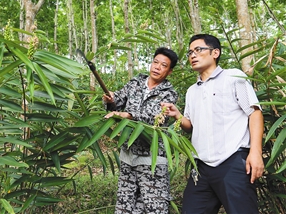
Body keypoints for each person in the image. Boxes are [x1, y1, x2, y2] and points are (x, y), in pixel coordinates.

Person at [161, 34, 264, 214]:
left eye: (198, 50)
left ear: (215, 52)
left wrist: (255, 153)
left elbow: (254, 112)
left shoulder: (233, 77)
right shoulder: (192, 91)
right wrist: (177, 115)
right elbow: (191, 126)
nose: (193, 55)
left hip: (233, 161)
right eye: (190, 52)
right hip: (201, 167)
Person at [102, 47, 178, 214]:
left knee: (154, 208)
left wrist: (127, 115)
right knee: (125, 206)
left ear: (169, 71)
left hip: (152, 159)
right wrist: (110, 100)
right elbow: (118, 102)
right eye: (155, 62)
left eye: (163, 65)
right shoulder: (136, 82)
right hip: (128, 155)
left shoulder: (169, 93)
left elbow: (156, 118)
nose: (157, 67)